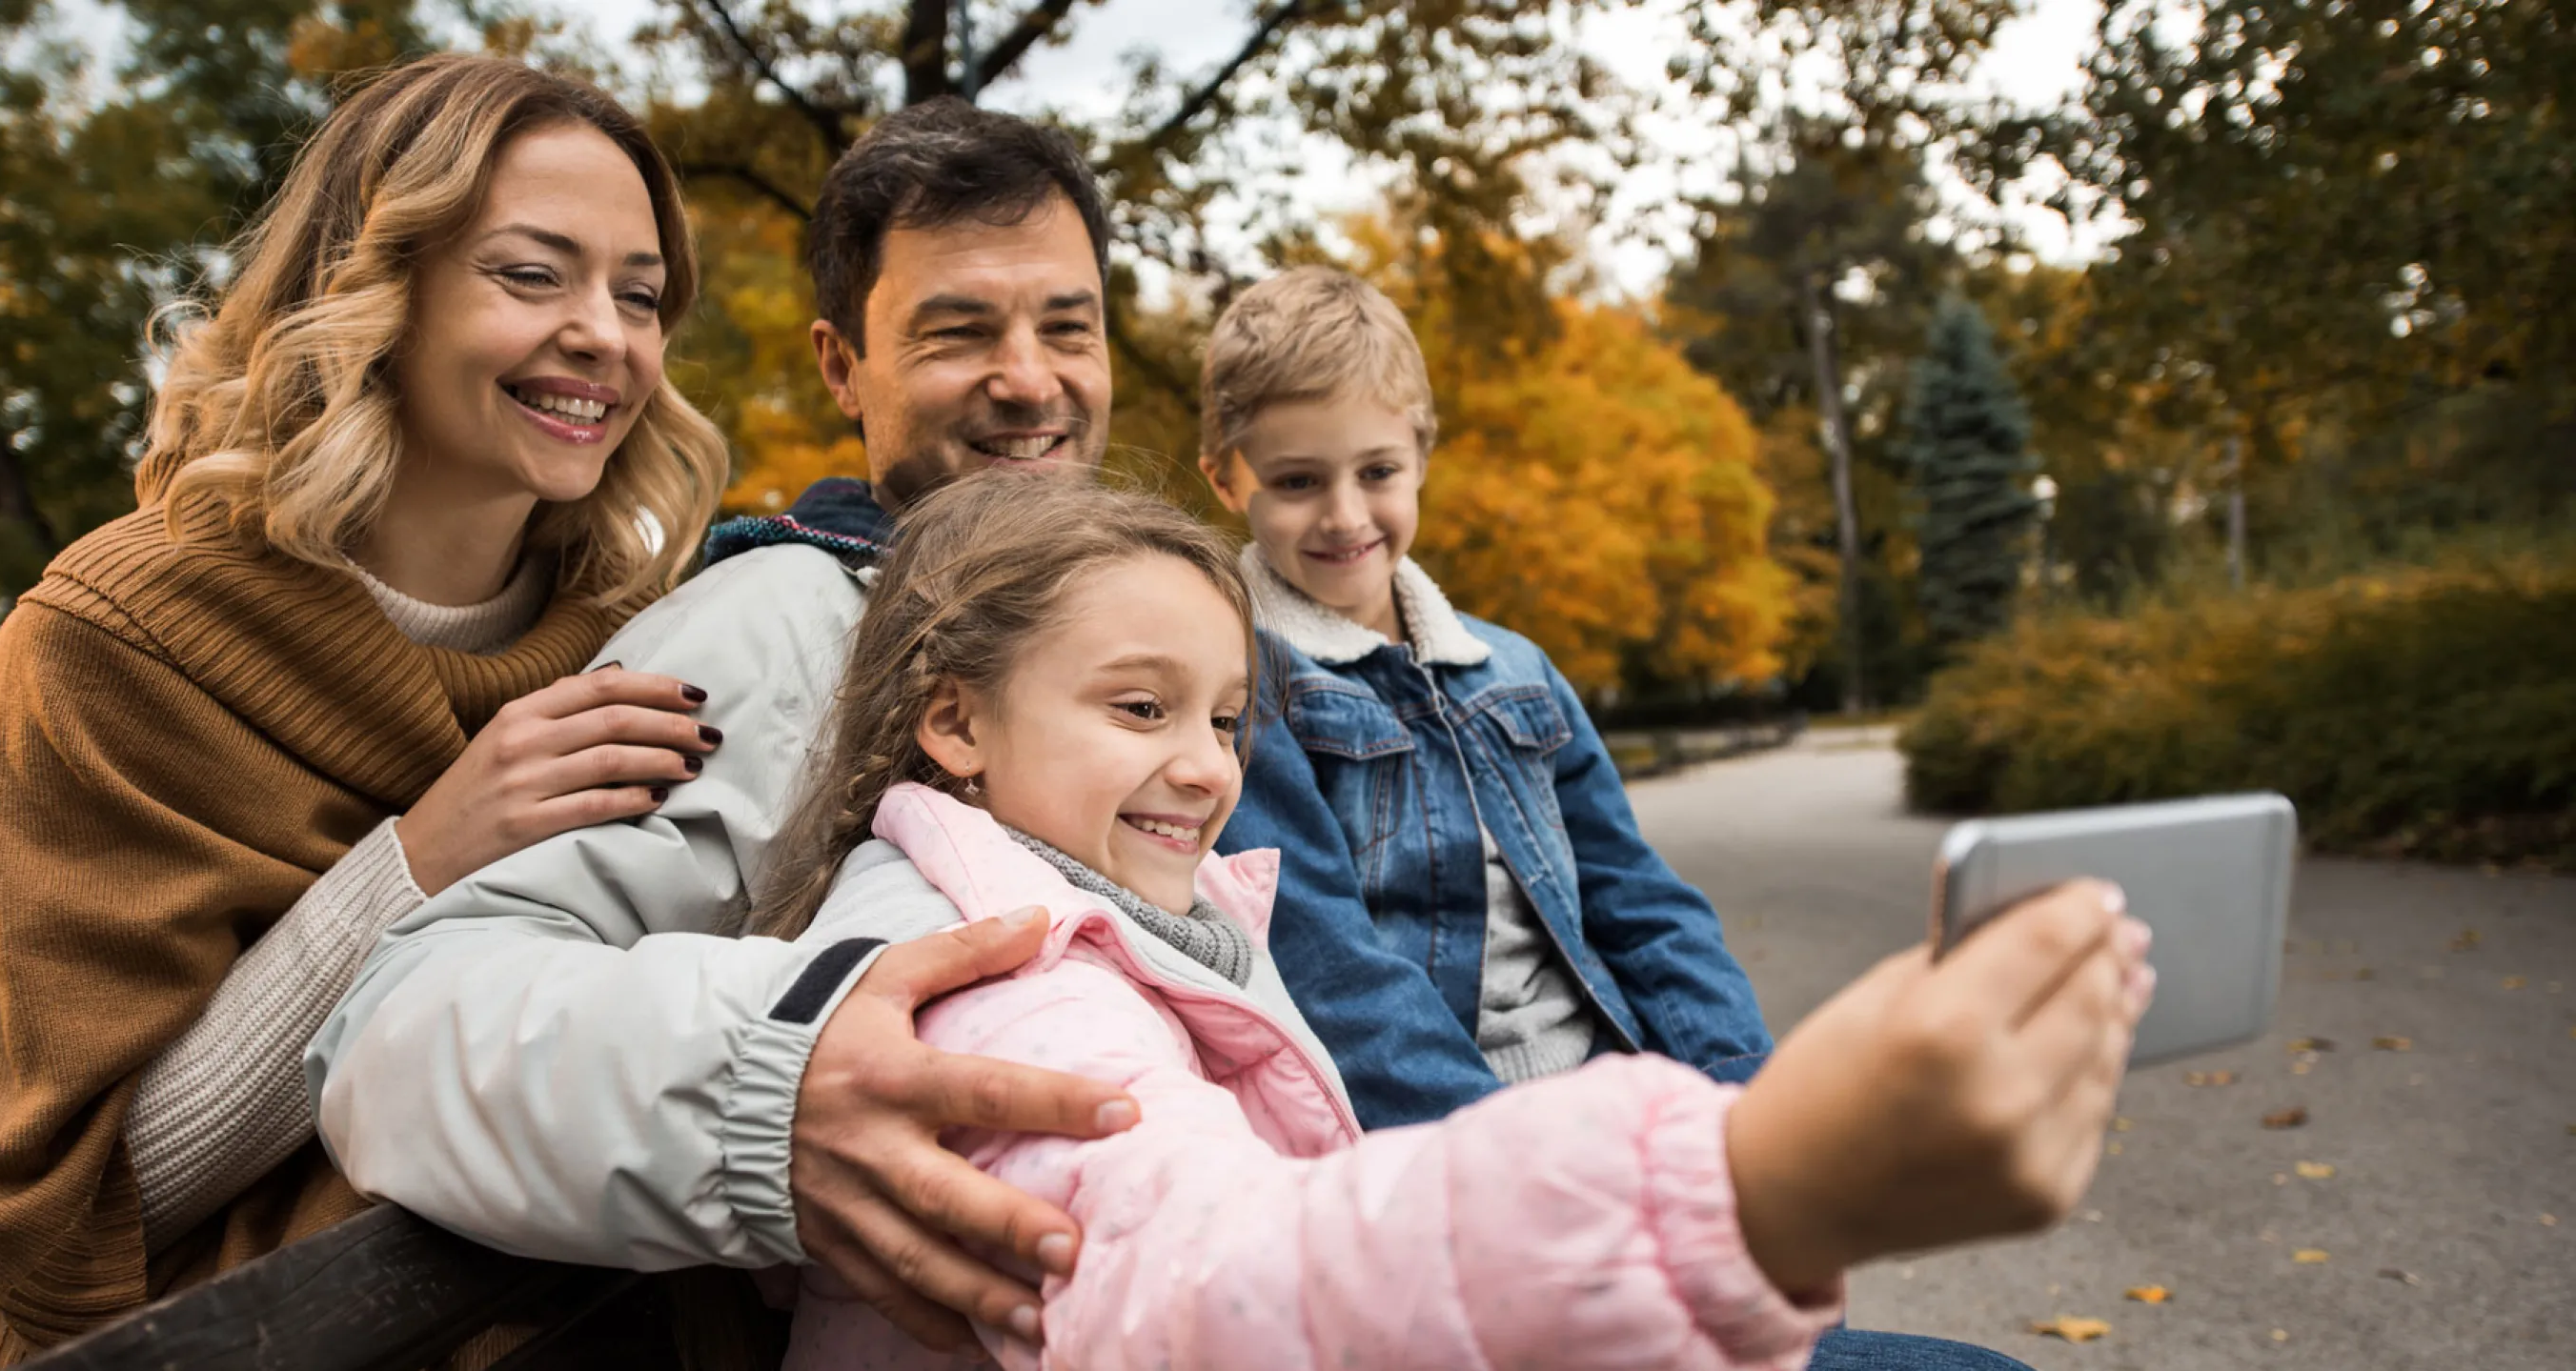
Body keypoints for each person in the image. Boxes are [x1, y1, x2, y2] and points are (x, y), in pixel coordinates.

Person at [751, 473, 2152, 1371]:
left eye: (1228, 718)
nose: (1207, 766)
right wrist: (1748, 1179)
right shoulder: (1013, 979)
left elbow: (1633, 892)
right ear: (954, 718)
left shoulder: (1091, 901)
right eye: (1139, 705)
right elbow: (1201, 1288)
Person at [0, 54, 740, 1365]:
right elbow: (71, 1204)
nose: (608, 334)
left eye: (642, 295)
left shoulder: (633, 641)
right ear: (378, 294)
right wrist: (422, 859)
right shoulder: (113, 637)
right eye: (531, 274)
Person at [308, 97, 1135, 1354]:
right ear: (842, 366)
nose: (1029, 379)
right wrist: (767, 1087)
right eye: (960, 331)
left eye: (1066, 327)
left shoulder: (1133, 646)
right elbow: (405, 1022)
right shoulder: (780, 623)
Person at [1198, 267, 1775, 1128]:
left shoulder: (1515, 669)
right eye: (1297, 482)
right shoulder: (1237, 683)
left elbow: (1638, 899)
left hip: (1603, 1077)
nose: (1346, 515)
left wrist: (1746, 1095)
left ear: (1423, 455)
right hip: (1430, 1124)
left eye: (1379, 470)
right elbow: (1326, 965)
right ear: (1226, 481)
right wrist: (1497, 1149)